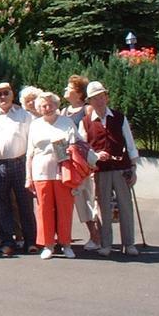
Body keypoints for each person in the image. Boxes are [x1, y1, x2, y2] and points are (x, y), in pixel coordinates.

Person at [82, 81, 140, 257]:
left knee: (125, 206)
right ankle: (106, 244)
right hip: (101, 171)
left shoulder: (119, 117)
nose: (100, 101)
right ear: (90, 102)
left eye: (102, 96)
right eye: (95, 98)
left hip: (121, 168)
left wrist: (134, 167)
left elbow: (130, 143)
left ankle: (129, 244)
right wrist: (96, 156)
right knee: (103, 208)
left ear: (106, 97)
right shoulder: (85, 122)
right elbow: (84, 148)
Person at [0, 82, 38, 256]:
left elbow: (32, 142)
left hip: (20, 163)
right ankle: (8, 242)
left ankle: (30, 241)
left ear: (12, 94)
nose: (2, 97)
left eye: (5, 93)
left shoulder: (25, 115)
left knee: (25, 205)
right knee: (2, 205)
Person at [25, 91, 78, 259]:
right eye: (43, 106)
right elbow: (29, 153)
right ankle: (48, 245)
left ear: (56, 105)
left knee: (65, 208)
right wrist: (28, 177)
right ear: (38, 108)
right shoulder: (35, 125)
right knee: (44, 210)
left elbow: (77, 144)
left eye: (50, 105)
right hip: (40, 172)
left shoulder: (67, 122)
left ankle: (66, 244)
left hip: (63, 172)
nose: (47, 108)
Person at [63, 75, 100, 250]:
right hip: (72, 164)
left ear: (78, 93)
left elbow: (94, 133)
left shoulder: (87, 110)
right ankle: (94, 236)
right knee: (80, 201)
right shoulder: (63, 112)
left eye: (69, 87)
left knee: (91, 200)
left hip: (87, 163)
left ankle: (99, 237)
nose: (65, 89)